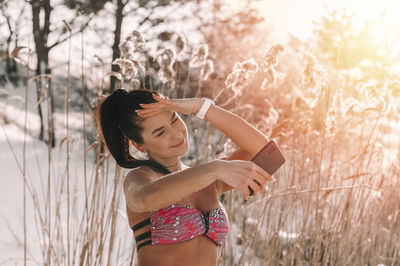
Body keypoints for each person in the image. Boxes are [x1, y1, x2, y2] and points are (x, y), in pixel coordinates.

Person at [95, 88, 275, 266]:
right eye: (160, 132)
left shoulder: (208, 180)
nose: (177, 134)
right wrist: (215, 169)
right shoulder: (139, 179)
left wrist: (201, 107)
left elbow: (268, 154)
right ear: (140, 145)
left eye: (174, 119)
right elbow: (145, 199)